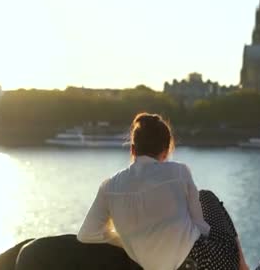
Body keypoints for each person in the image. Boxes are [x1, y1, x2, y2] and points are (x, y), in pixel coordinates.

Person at [77, 113, 249, 270]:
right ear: (166, 151)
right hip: (205, 263)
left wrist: (129, 238)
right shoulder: (180, 172)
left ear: (132, 149)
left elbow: (87, 234)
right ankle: (243, 267)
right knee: (206, 196)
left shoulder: (108, 186)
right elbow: (200, 226)